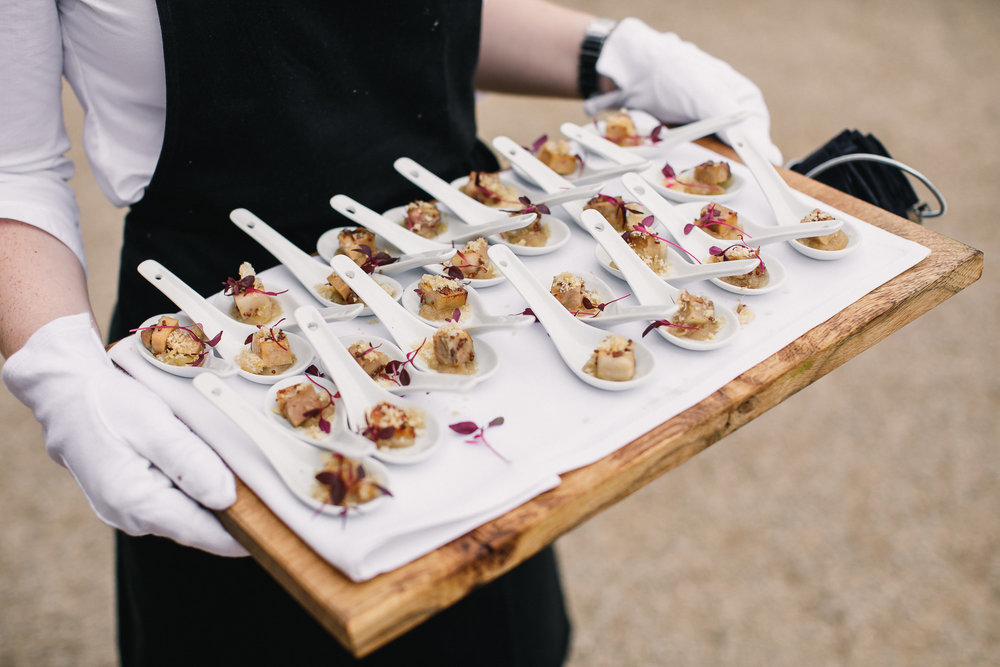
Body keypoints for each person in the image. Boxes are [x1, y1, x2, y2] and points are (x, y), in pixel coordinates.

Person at [0, 1, 780, 664]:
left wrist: (611, 55)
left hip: (459, 289)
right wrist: (56, 367)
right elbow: (15, 164)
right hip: (216, 345)